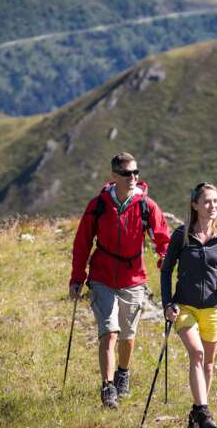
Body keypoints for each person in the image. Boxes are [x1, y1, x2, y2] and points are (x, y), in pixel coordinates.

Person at [70, 152, 171, 409]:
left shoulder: (147, 206)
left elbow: (162, 238)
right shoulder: (99, 205)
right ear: (114, 177)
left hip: (133, 278)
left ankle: (123, 372)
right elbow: (82, 243)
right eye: (127, 173)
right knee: (109, 332)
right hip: (102, 276)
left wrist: (164, 258)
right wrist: (77, 278)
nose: (133, 177)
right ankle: (108, 387)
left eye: (136, 172)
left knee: (128, 335)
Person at [160, 182, 217, 428]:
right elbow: (166, 271)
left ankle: (197, 413)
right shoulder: (181, 235)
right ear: (195, 205)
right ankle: (205, 412)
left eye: (215, 201)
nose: (212, 206)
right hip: (184, 306)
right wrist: (167, 303)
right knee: (196, 354)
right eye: (207, 201)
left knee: (208, 365)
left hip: (213, 309)